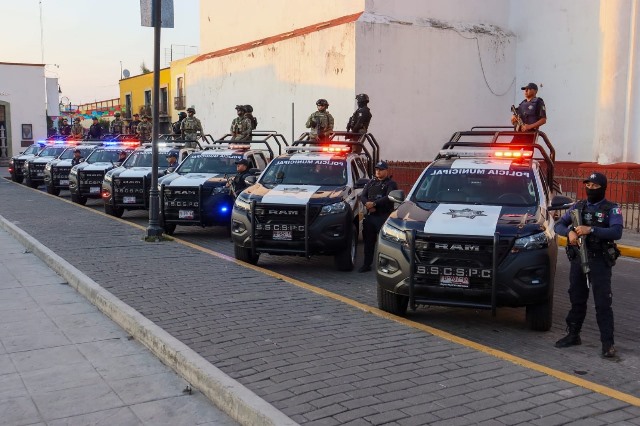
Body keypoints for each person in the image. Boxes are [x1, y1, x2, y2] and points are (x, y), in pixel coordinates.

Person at [554, 172, 623, 358]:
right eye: (588, 185)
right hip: (579, 259)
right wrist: (569, 232)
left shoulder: (612, 209)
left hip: (599, 261)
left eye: (595, 186)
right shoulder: (578, 206)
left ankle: (607, 344)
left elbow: (616, 232)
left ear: (603, 188)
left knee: (603, 303)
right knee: (576, 298)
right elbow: (558, 225)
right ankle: (573, 335)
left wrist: (590, 229)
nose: (590, 189)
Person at [359, 161, 398, 272]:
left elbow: (388, 197)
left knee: (385, 244)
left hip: (383, 217)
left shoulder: (391, 184)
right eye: (377, 169)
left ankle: (386, 265)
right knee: (368, 243)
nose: (378, 171)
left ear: (386, 170)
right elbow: (363, 196)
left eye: (380, 169)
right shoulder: (371, 182)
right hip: (370, 216)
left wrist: (374, 204)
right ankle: (367, 264)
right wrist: (367, 204)